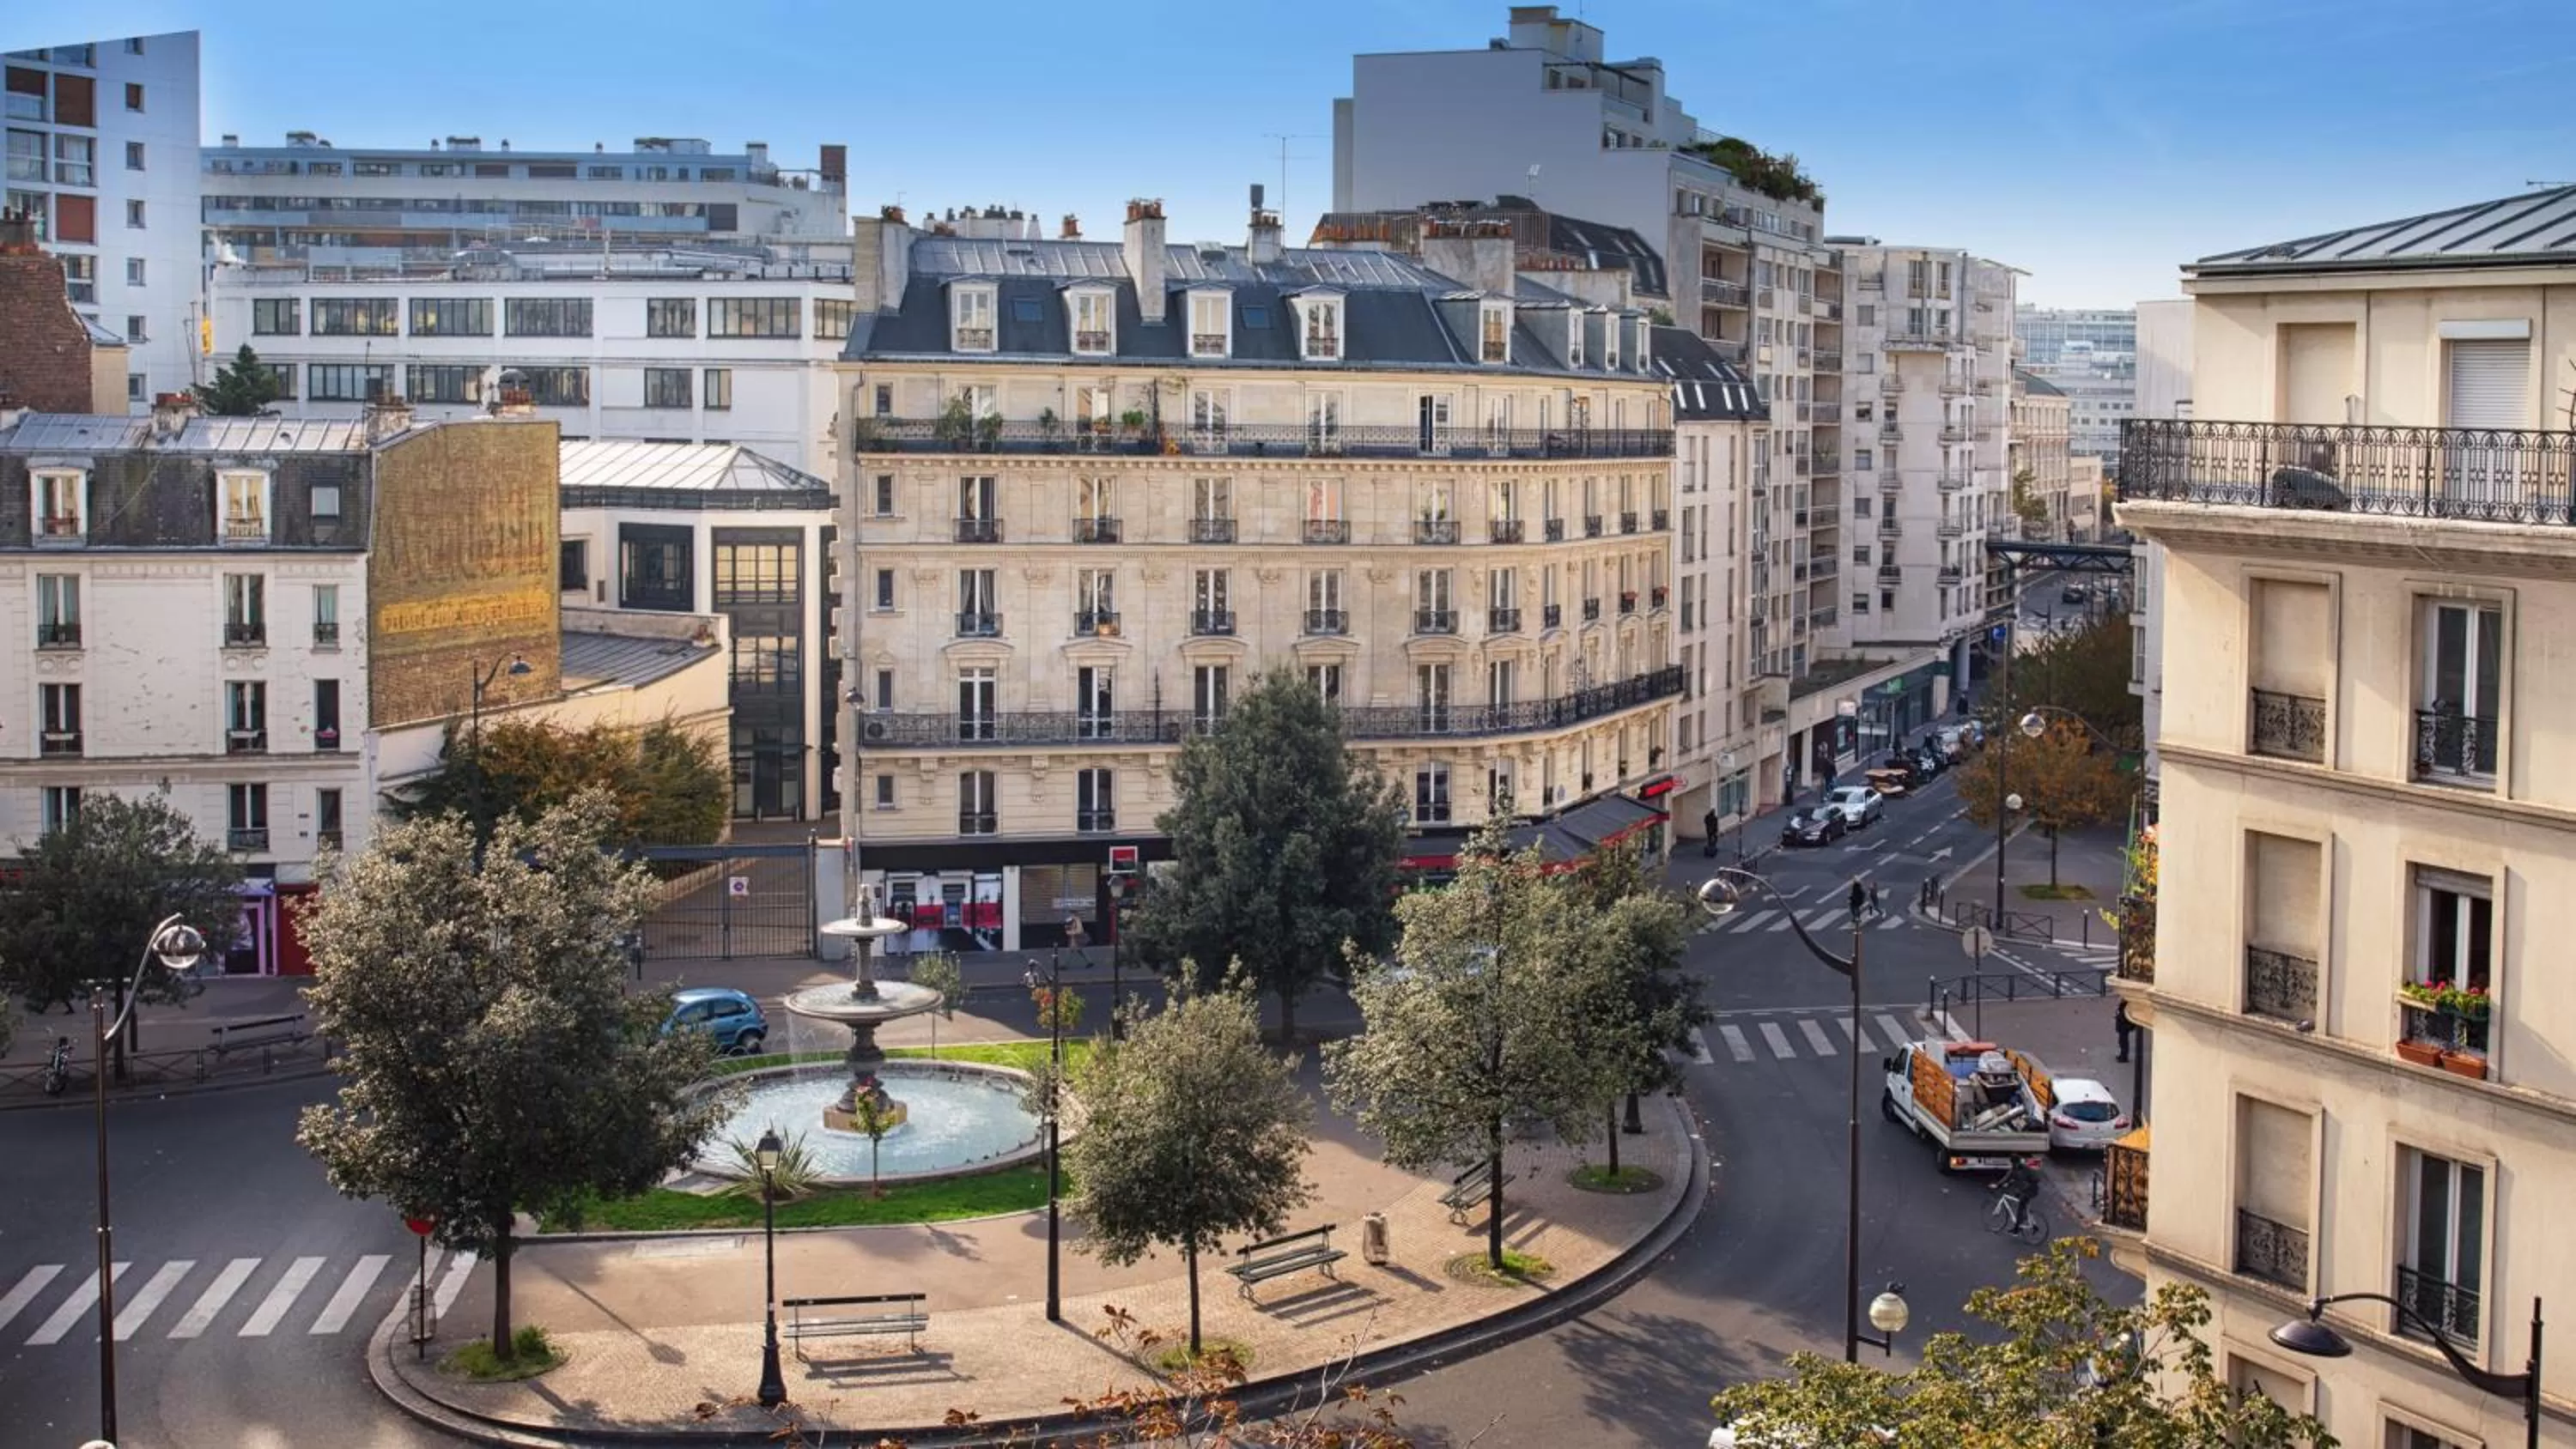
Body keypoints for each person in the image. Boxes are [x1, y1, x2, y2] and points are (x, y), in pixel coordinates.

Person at [1996, 1155, 2041, 1232]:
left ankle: (2016, 1229)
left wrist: (1998, 1185)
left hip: (2029, 1190)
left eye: (2013, 1163)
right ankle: (2025, 1218)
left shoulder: (2021, 1169)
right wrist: (2001, 1184)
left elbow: (2009, 1178)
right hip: (2029, 1189)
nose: (2013, 1165)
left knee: (2020, 1207)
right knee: (2021, 1201)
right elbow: (2009, 1178)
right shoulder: (2019, 1169)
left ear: (2015, 1163)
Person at [2114, 1000, 2134, 1064]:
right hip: (2123, 1025)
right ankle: (2122, 1055)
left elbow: (2124, 1016)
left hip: (2124, 1025)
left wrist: (2119, 1017)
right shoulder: (2124, 1004)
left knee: (2123, 1041)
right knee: (2121, 1041)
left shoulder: (2126, 1005)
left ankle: (2124, 1057)